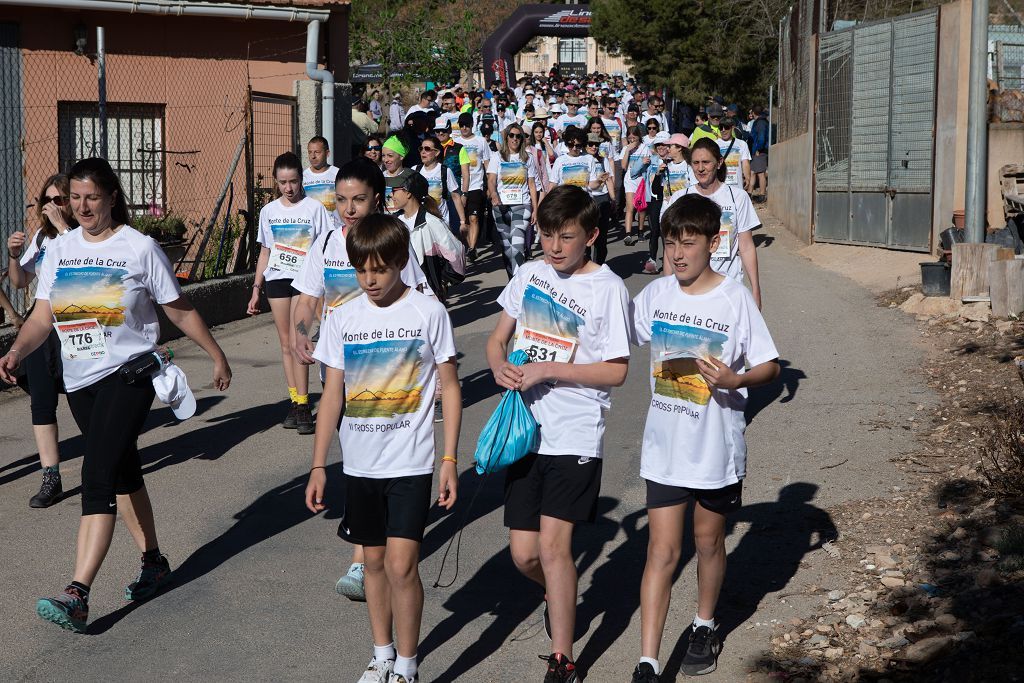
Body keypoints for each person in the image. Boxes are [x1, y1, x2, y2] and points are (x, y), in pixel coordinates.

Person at [0, 157, 232, 633]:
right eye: (75, 197)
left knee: (97, 475)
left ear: (111, 199)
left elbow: (179, 308)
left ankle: (77, 594)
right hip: (80, 380)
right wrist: (18, 350)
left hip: (129, 375)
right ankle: (153, 562)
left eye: (92, 197)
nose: (82, 206)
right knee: (123, 470)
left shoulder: (139, 247)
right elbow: (43, 315)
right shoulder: (61, 249)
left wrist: (216, 354)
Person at [306, 214, 461, 683]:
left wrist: (450, 459)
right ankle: (382, 654)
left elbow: (450, 388)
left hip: (411, 462)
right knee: (372, 563)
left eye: (379, 269)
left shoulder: (427, 313)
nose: (369, 280)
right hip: (359, 465)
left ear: (400, 262)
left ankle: (409, 666)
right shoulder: (343, 317)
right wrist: (318, 465)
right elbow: (333, 394)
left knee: (401, 565)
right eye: (360, 270)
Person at [486, 185, 632, 683]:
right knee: (525, 554)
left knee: (553, 549)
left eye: (565, 237)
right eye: (547, 235)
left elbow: (616, 371)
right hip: (526, 432)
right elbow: (496, 339)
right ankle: (558, 595)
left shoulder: (608, 287)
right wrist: (499, 367)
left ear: (591, 235)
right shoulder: (529, 274)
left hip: (575, 433)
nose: (553, 247)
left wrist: (551, 369)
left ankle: (563, 658)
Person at [630, 194, 779, 680]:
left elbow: (769, 366)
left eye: (688, 243)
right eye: (670, 242)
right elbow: (613, 330)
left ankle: (704, 623)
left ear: (714, 243)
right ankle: (648, 661)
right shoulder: (656, 295)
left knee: (709, 541)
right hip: (665, 449)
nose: (676, 254)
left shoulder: (734, 298)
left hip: (715, 449)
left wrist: (737, 382)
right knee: (662, 551)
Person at [292, 158, 432, 603]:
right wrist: (302, 334)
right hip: (337, 369)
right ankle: (370, 546)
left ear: (377, 200)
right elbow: (306, 299)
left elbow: (421, 302)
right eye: (342, 199)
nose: (349, 209)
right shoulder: (327, 244)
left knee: (365, 454)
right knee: (352, 454)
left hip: (385, 374)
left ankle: (360, 558)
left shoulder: (392, 245)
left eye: (359, 200)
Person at [246, 151, 332, 433]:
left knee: (300, 340)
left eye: (293, 181)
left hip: (305, 283)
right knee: (285, 344)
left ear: (301, 179)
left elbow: (325, 247)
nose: (289, 188)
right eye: (283, 182)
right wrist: (256, 288)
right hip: (277, 280)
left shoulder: (314, 209)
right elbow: (265, 251)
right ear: (275, 181)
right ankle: (295, 401)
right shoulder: (269, 212)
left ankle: (305, 405)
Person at [6, 173, 76, 508]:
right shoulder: (44, 237)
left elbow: (81, 261)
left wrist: (63, 227)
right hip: (43, 321)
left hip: (78, 320)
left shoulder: (84, 235)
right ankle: (51, 476)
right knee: (42, 401)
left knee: (83, 395)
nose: (50, 207)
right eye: (46, 201)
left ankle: (108, 460)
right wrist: (13, 254)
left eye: (58, 200)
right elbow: (20, 281)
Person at [662, 138, 763, 308]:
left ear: (719, 163)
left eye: (706, 162)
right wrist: (667, 287)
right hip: (689, 288)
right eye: (695, 163)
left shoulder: (738, 197)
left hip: (728, 286)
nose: (700, 168)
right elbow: (670, 247)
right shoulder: (681, 198)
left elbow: (746, 246)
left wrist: (755, 290)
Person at [389, 172, 466, 301]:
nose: (391, 195)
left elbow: (456, 254)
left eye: (395, 191)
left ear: (409, 193)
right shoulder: (392, 222)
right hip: (398, 295)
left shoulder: (432, 222)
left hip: (427, 296)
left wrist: (440, 281)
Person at [487, 122, 540, 277]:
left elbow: (532, 184)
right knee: (507, 247)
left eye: (518, 136)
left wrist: (535, 209)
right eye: (512, 135)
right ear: (507, 137)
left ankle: (518, 284)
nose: (515, 139)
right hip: (501, 206)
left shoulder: (527, 158)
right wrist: (494, 194)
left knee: (517, 245)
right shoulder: (497, 156)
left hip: (522, 205)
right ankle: (512, 279)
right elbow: (491, 180)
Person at [453, 112, 490, 262]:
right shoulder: (454, 142)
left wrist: (490, 186)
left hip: (476, 184)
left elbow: (487, 165)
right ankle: (469, 247)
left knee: (474, 218)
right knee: (464, 221)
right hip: (458, 186)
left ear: (472, 125)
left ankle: (472, 248)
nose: (464, 128)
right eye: (461, 125)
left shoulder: (481, 141)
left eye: (467, 125)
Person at [633, 131, 670, 274]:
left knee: (667, 233)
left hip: (670, 200)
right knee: (655, 231)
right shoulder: (650, 159)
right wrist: (640, 163)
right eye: (658, 145)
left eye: (664, 145)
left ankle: (669, 261)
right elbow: (633, 173)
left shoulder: (674, 160)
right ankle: (653, 260)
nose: (661, 147)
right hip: (654, 200)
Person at [413, 135, 464, 232]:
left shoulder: (445, 171)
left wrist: (462, 221)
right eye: (421, 148)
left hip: (441, 221)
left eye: (427, 149)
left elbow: (456, 196)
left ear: (436, 152)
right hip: (421, 222)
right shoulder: (415, 170)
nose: (423, 152)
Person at [584, 133, 616, 265]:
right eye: (590, 144)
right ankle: (585, 265)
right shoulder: (583, 160)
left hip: (602, 199)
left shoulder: (603, 160)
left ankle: (598, 266)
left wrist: (613, 199)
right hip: (587, 200)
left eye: (596, 145)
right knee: (586, 237)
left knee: (601, 239)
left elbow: (609, 180)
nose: (593, 147)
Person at [621, 125, 648, 247]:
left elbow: (648, 164)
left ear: (639, 138)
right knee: (630, 206)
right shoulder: (626, 148)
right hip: (630, 180)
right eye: (630, 138)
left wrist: (643, 162)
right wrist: (627, 150)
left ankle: (640, 230)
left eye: (634, 138)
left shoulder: (644, 148)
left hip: (641, 179)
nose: (632, 141)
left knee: (641, 207)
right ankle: (628, 233)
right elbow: (623, 166)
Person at [716, 117, 753, 193]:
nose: (723, 130)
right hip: (719, 184)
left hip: (737, 185)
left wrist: (747, 178)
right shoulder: (715, 144)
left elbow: (745, 163)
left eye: (726, 127)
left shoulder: (742, 144)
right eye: (720, 128)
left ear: (732, 128)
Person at [304, 136, 339, 213]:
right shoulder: (303, 176)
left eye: (317, 152)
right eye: (310, 152)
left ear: (327, 153)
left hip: (333, 224)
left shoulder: (338, 174)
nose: (313, 156)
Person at [749, 106, 770, 202]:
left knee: (761, 173)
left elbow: (761, 137)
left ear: (753, 113)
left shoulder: (760, 123)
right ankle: (749, 193)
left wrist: (758, 149)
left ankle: (762, 195)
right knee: (753, 172)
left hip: (760, 152)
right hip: (756, 151)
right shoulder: (760, 121)